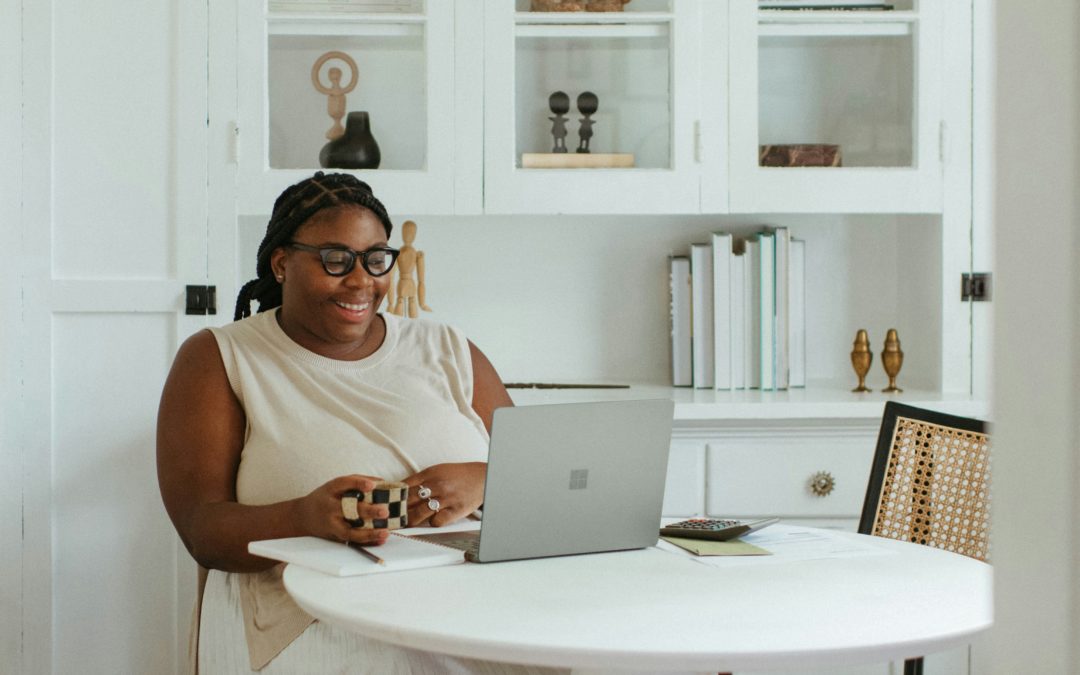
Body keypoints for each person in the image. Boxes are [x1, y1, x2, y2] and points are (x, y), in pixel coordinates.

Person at [156, 172, 560, 674]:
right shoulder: (222, 357)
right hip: (313, 614)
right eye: (335, 260)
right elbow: (202, 530)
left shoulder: (448, 349)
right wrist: (306, 517)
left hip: (471, 602)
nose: (361, 280)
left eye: (375, 260)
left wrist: (483, 479)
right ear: (282, 263)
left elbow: (544, 482)